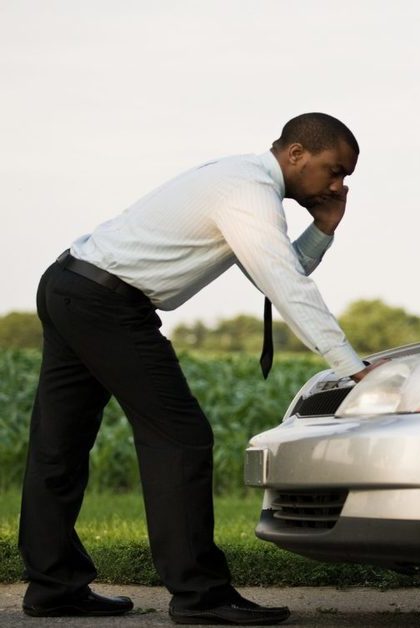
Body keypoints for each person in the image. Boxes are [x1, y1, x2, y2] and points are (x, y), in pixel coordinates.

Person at [19, 113, 378, 625]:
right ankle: (200, 596)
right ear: (296, 154)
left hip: (72, 284)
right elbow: (285, 284)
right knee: (181, 438)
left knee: (59, 446)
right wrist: (349, 365)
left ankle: (53, 587)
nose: (337, 185)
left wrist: (322, 228)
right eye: (334, 170)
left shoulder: (244, 184)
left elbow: (276, 271)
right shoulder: (248, 191)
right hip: (106, 304)